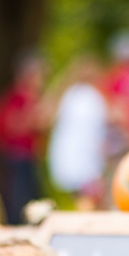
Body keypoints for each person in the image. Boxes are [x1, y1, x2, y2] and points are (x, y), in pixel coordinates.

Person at [0, 52, 49, 224]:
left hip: (29, 155)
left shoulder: (30, 97)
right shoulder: (18, 97)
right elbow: (13, 124)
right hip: (17, 155)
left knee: (30, 195)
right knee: (18, 198)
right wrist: (34, 117)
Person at [46, 55, 109, 210]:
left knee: (82, 197)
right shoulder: (91, 97)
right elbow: (97, 130)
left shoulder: (69, 95)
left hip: (70, 157)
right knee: (90, 198)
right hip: (86, 158)